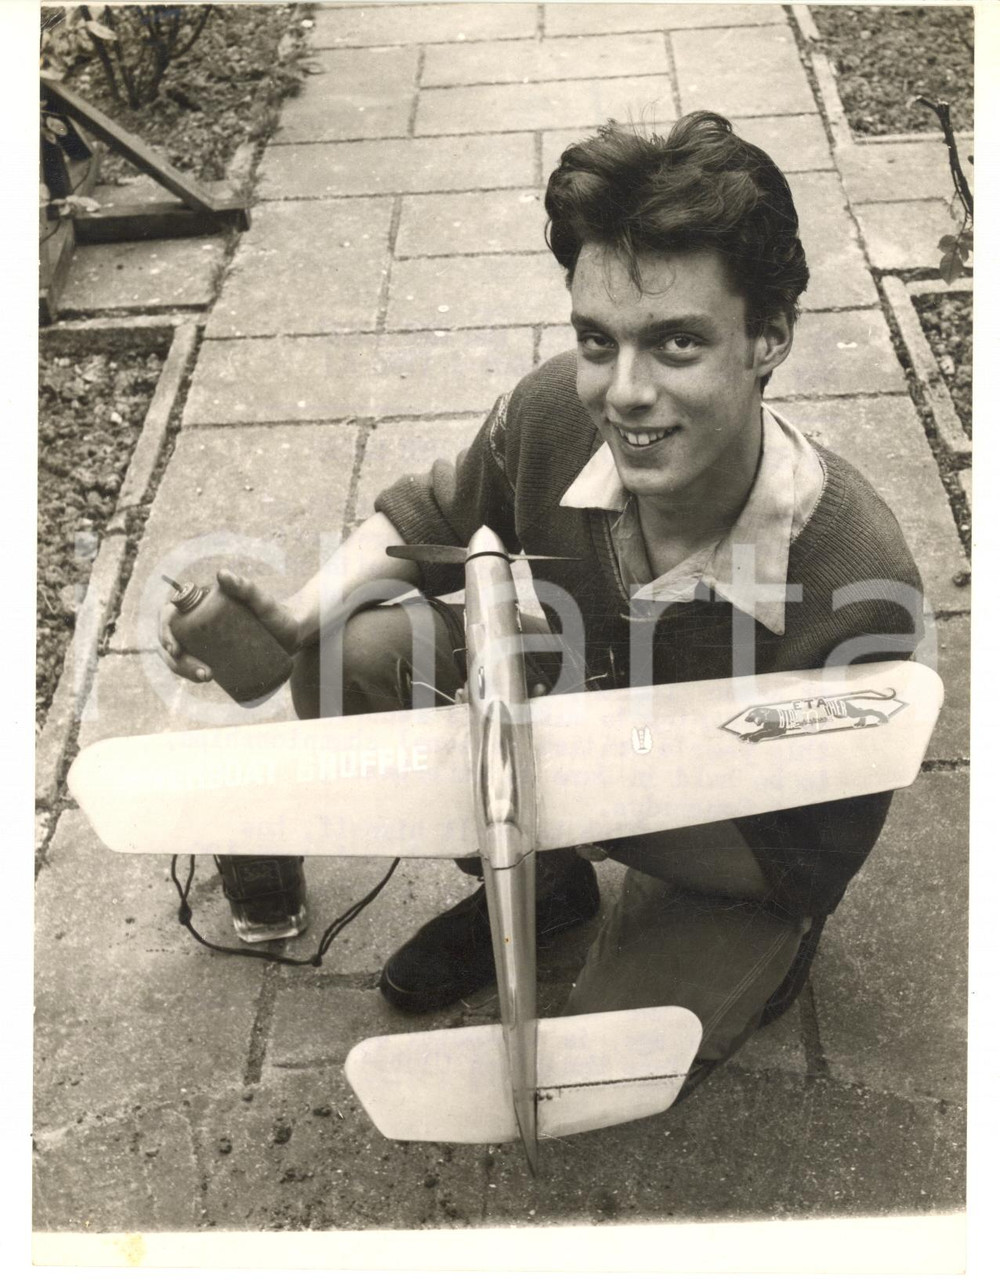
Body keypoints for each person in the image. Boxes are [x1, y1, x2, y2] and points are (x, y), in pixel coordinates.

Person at [160, 112, 923, 1097]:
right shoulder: (557, 408)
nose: (625, 394)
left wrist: (531, 789)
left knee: (606, 1073)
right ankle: (545, 890)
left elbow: (802, 855)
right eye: (598, 340)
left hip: (725, 846)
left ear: (770, 335)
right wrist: (302, 615)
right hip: (552, 753)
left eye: (678, 343)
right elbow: (437, 512)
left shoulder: (858, 584)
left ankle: (716, 941)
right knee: (348, 651)